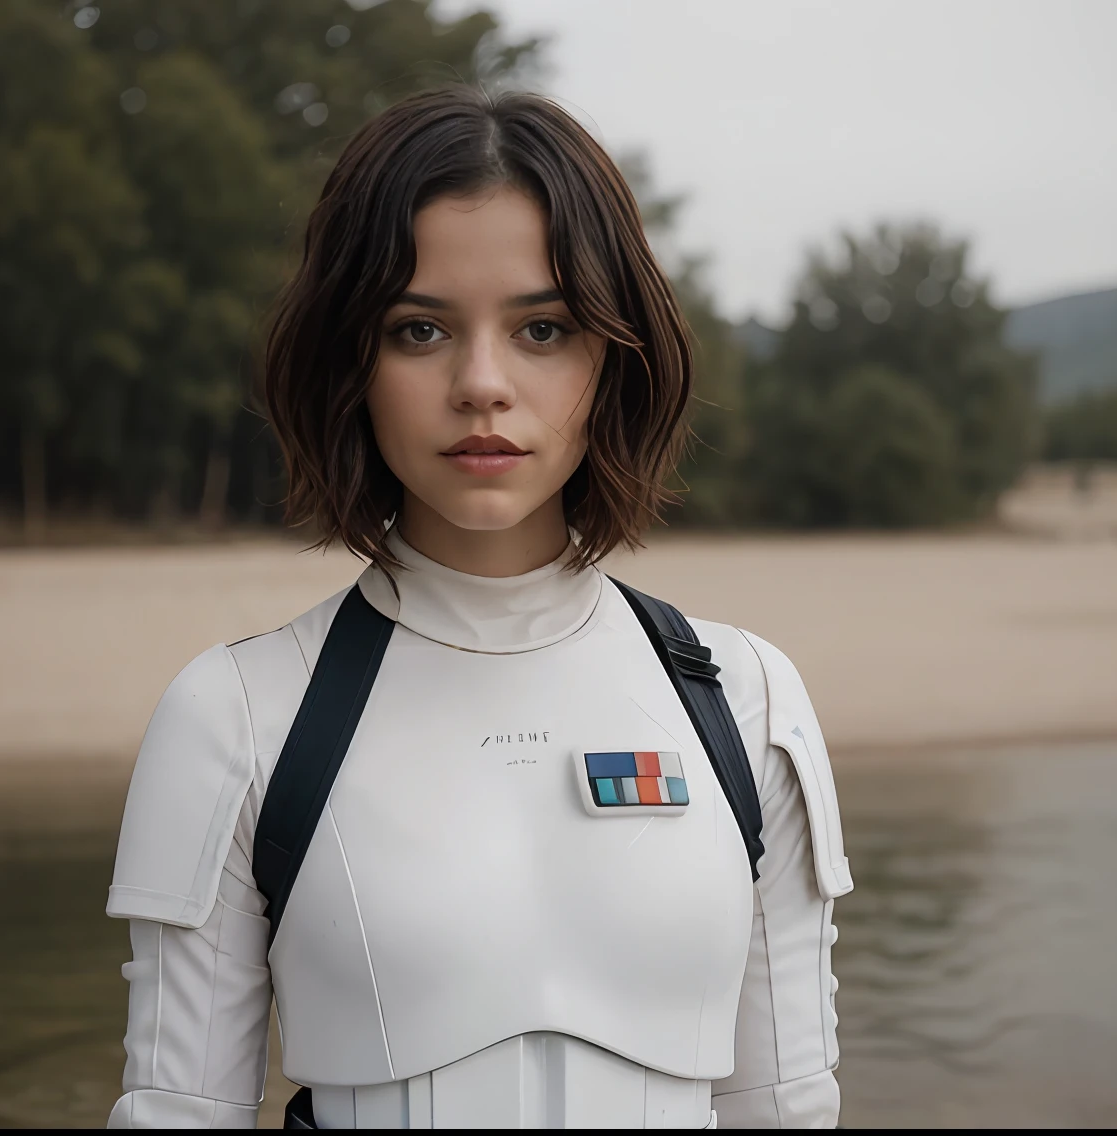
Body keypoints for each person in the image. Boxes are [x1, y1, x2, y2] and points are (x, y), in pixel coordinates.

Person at [104, 86, 852, 1130]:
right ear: (349, 361)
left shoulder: (744, 698)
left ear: (614, 354)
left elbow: (788, 1108)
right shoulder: (236, 714)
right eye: (419, 329)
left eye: (542, 326)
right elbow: (177, 1112)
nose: (482, 383)